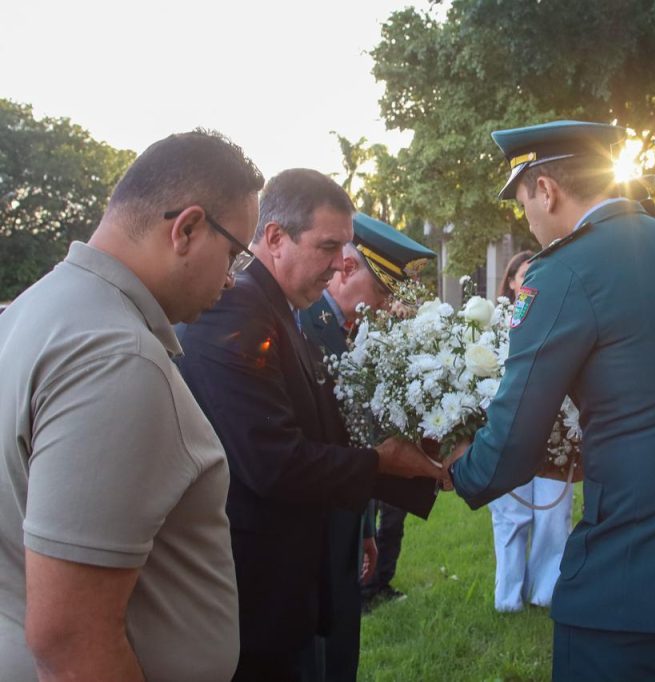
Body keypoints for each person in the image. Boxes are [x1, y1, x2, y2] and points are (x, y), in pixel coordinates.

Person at [447, 120, 655, 681]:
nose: (528, 220)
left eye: (523, 204)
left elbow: (515, 438)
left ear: (546, 189)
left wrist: (457, 470)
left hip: (633, 568)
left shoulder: (562, 272)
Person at [0, 130, 265, 681]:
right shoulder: (119, 358)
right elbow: (71, 641)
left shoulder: (36, 310)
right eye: (234, 254)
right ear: (187, 229)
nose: (231, 280)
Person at [175, 169, 444, 682]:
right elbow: (274, 462)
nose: (342, 263)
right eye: (328, 246)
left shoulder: (276, 309)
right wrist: (381, 463)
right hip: (250, 590)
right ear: (276, 238)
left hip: (286, 580)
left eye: (345, 247)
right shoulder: (236, 310)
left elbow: (324, 430)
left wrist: (419, 459)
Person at [298, 212, 435, 680]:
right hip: (311, 530)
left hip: (344, 521)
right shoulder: (306, 327)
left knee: (341, 652)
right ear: (348, 268)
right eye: (381, 290)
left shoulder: (347, 332)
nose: (385, 305)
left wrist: (364, 530)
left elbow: (353, 435)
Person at [486, 249, 574, 613]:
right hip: (511, 431)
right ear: (511, 282)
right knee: (511, 515)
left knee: (554, 515)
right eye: (525, 275)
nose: (532, 281)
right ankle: (508, 599)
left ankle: (545, 592)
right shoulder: (494, 324)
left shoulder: (562, 317)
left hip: (556, 434)